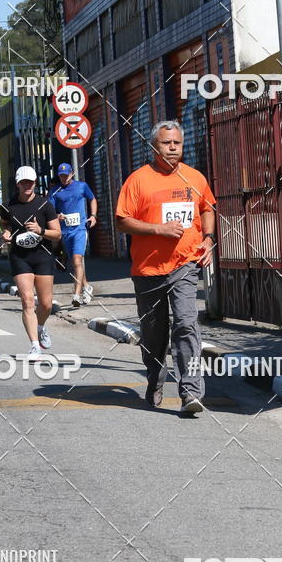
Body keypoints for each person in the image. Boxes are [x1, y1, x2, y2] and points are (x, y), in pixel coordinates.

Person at [115, 121, 217, 414]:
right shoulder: (138, 180)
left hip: (184, 264)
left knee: (186, 322)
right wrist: (158, 230)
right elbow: (122, 220)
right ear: (153, 146)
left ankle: (191, 392)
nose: (173, 148)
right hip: (148, 270)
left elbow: (206, 208)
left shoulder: (195, 178)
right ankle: (155, 379)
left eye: (177, 143)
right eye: (166, 143)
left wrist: (208, 238)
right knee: (153, 333)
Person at [0, 166, 61, 360]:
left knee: (46, 304)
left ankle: (41, 327)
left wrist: (40, 230)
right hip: (20, 257)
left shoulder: (45, 205)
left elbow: (57, 233)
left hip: (42, 256)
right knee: (27, 300)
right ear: (18, 184)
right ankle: (35, 346)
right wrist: (7, 233)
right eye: (23, 182)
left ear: (35, 183)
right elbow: (4, 222)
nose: (27, 185)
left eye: (30, 182)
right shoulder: (8, 206)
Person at [48, 163, 97, 307]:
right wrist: (57, 216)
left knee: (77, 260)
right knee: (75, 264)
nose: (63, 178)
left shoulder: (82, 186)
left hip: (80, 229)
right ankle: (87, 287)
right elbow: (49, 212)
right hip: (65, 232)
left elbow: (92, 199)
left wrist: (93, 215)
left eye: (66, 175)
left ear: (72, 174)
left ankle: (76, 295)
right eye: (61, 176)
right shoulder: (54, 192)